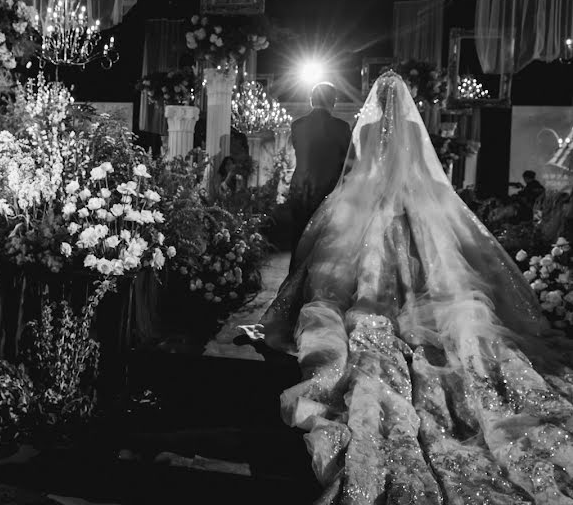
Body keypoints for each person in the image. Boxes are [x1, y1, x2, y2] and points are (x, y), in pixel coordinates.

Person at [241, 72, 573, 503]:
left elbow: (360, 168)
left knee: (344, 273)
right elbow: (423, 172)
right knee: (429, 272)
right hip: (416, 212)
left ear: (376, 105)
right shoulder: (411, 129)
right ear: (410, 105)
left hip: (365, 208)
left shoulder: (356, 127)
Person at [286, 81, 351, 272]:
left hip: (300, 189)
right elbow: (347, 161)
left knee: (299, 239)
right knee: (324, 244)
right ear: (334, 102)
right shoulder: (341, 127)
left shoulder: (297, 125)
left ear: (311, 100)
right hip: (328, 190)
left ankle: (293, 282)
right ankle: (316, 287)